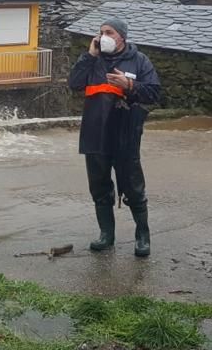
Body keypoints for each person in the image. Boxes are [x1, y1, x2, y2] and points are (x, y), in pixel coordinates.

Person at [68, 17, 161, 257]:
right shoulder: (92, 60)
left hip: (125, 133)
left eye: (108, 32)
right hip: (95, 134)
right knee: (99, 187)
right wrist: (89, 56)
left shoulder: (139, 61)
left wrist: (129, 84)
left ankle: (142, 237)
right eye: (100, 32)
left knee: (133, 187)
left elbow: (153, 93)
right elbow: (74, 83)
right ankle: (106, 235)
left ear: (122, 36)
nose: (102, 37)